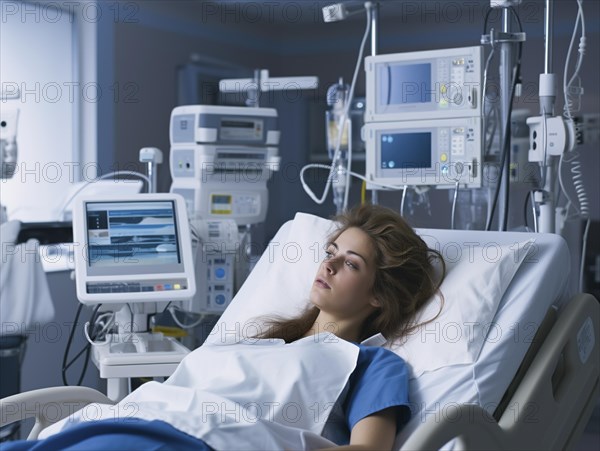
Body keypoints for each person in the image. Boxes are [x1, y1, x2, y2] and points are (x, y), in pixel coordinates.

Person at [2, 204, 444, 451]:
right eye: (331, 250)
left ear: (377, 296)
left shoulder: (373, 363)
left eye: (349, 263)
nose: (327, 263)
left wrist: (279, 441)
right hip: (137, 422)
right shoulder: (266, 344)